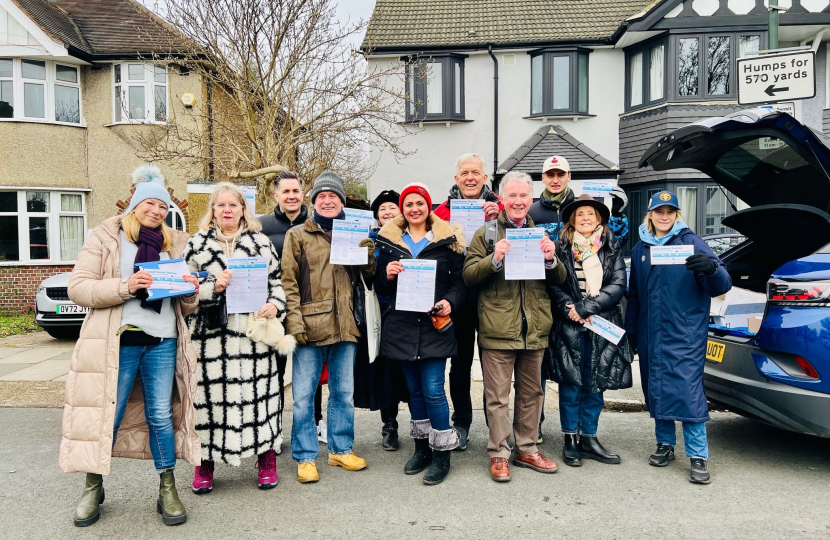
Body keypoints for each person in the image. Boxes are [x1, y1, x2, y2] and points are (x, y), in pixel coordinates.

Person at [62, 164, 201, 527]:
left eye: (162, 206)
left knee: (160, 416)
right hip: (118, 341)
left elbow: (184, 303)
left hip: (163, 341)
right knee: (108, 413)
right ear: (134, 205)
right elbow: (78, 288)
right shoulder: (105, 236)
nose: (156, 211)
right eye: (149, 204)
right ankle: (93, 486)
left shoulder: (177, 242)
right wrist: (127, 285)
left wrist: (190, 292)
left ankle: (167, 488)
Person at [184, 182, 291, 494]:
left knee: (259, 398)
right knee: (208, 402)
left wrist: (276, 304)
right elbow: (184, 289)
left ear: (244, 209)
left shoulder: (260, 242)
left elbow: (277, 282)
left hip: (252, 333)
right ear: (213, 210)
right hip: (210, 338)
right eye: (221, 205)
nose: (227, 210)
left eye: (234, 205)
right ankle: (204, 464)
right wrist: (212, 288)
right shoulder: (197, 244)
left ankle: (266, 459)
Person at [463, 171, 566, 483]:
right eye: (513, 196)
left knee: (533, 393)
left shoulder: (541, 234)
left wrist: (551, 260)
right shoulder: (488, 233)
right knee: (497, 396)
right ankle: (499, 453)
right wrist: (494, 259)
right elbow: (468, 275)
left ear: (531, 199)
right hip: (498, 327)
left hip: (534, 326)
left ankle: (527, 448)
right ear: (502, 199)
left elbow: (560, 280)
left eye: (524, 196)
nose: (519, 201)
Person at [625, 191, 731, 485]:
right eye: (659, 211)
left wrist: (712, 269)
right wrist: (632, 331)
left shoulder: (692, 243)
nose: (664, 217)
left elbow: (722, 282)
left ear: (676, 215)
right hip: (651, 333)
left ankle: (698, 455)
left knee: (688, 392)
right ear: (650, 215)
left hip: (684, 333)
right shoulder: (640, 249)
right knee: (656, 386)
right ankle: (665, 444)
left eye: (670, 212)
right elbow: (634, 296)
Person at [282, 170, 376, 483]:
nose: (327, 200)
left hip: (346, 324)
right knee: (305, 397)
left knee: (343, 393)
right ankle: (306, 456)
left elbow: (368, 276)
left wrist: (369, 252)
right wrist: (294, 323)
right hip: (309, 326)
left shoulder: (354, 231)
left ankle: (340, 448)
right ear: (314, 202)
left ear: (341, 201)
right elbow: (288, 283)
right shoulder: (297, 236)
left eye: (332, 196)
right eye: (321, 196)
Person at [374, 183, 466, 485]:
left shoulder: (446, 240)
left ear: (428, 207)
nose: (414, 208)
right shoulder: (389, 241)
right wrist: (386, 276)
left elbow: (459, 284)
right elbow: (381, 287)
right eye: (409, 204)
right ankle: (422, 448)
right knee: (414, 392)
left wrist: (449, 303)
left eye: (420, 203)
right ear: (402, 209)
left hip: (433, 326)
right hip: (401, 326)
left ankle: (443, 455)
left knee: (434, 391)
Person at [548, 194, 633, 467]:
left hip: (600, 325)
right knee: (571, 384)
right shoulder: (560, 247)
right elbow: (552, 284)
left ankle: (589, 437)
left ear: (599, 219)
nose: (585, 218)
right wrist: (569, 308)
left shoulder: (611, 246)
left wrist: (586, 308)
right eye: (580, 214)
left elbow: (618, 284)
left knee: (595, 384)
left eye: (591, 214)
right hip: (569, 325)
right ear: (572, 220)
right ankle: (570, 439)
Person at [433, 153, 504, 450]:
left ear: (485, 178)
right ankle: (461, 421)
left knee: (494, 367)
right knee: (459, 366)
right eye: (465, 173)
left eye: (476, 172)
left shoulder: (500, 208)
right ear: (456, 178)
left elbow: (519, 230)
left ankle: (495, 427)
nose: (470, 177)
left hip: (493, 297)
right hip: (459, 297)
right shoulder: (440, 212)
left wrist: (496, 217)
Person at [352, 190, 410, 451]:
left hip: (409, 315)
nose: (387, 213)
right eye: (382, 209)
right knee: (384, 372)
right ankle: (390, 425)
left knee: (410, 372)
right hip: (378, 313)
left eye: (392, 208)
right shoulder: (366, 241)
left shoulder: (411, 238)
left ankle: (422, 422)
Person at [259, 169, 312, 434]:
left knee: (310, 374)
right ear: (276, 194)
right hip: (274, 310)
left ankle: (314, 422)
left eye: (296, 191)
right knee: (274, 373)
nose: (291, 196)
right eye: (286, 191)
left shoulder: (315, 225)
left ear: (303, 194)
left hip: (308, 309)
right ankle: (274, 426)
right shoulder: (261, 226)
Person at [529, 155, 575, 443]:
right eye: (550, 175)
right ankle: (536, 424)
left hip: (573, 298)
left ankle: (574, 429)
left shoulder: (581, 209)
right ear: (542, 178)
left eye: (560, 174)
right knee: (539, 368)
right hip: (541, 297)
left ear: (569, 176)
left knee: (571, 363)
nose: (555, 179)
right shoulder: (533, 211)